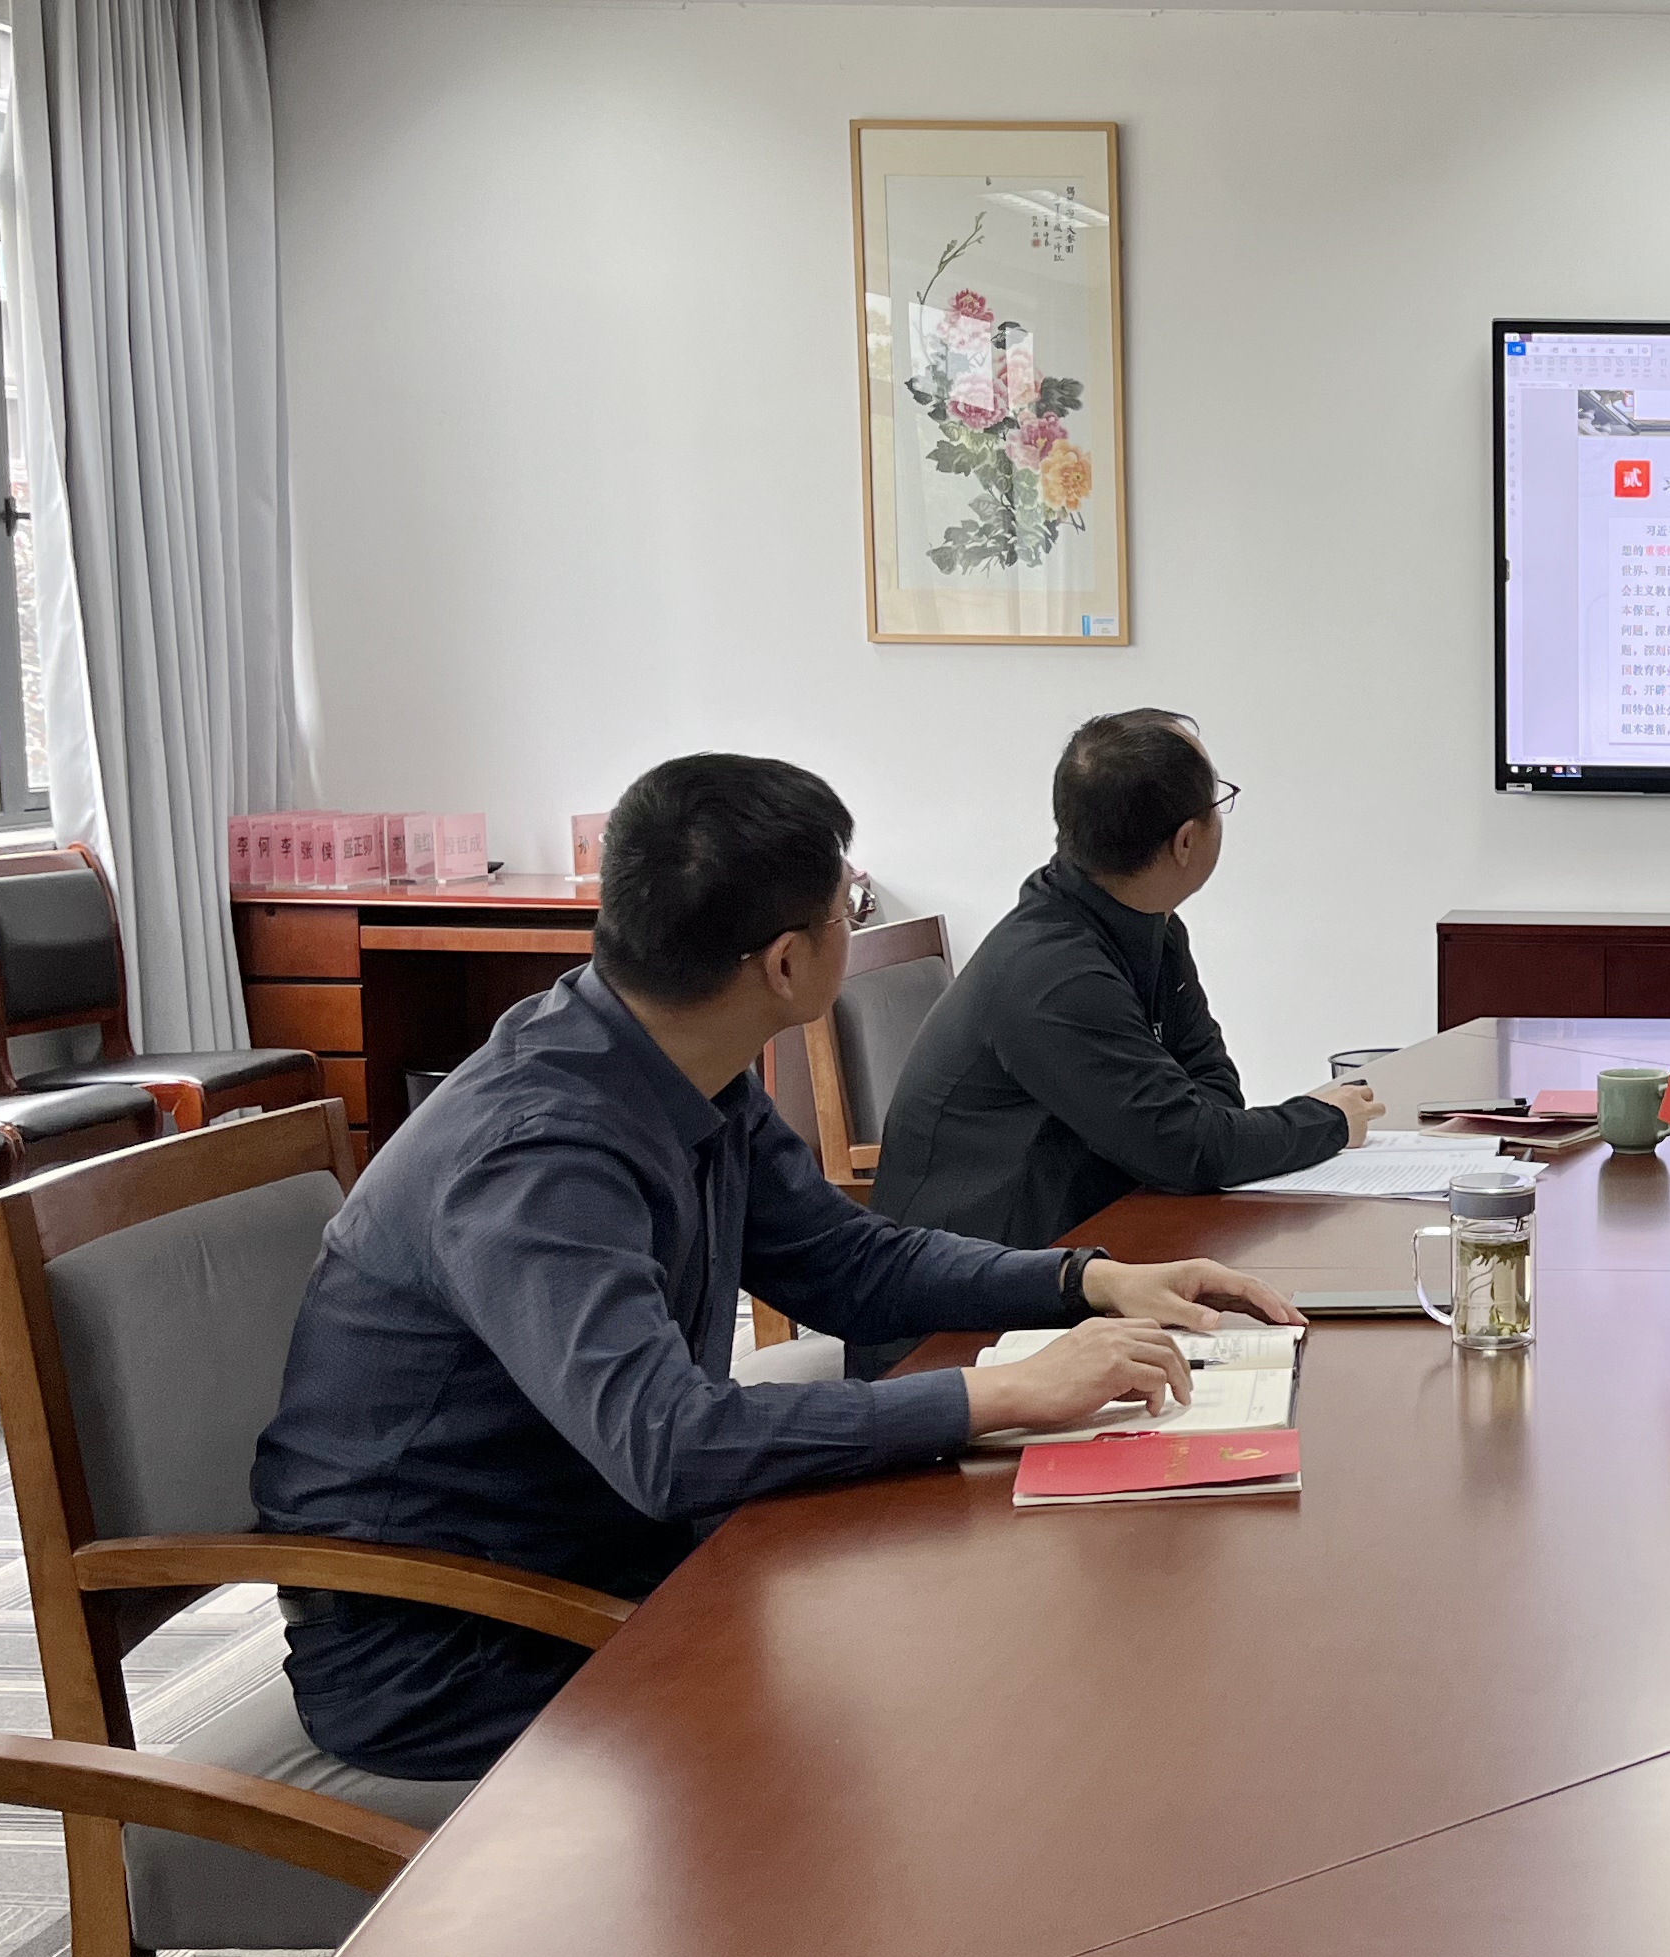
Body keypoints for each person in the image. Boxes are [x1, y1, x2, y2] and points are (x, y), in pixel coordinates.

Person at [254, 754, 1300, 1780]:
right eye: (849, 908)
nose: (855, 921)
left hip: (611, 1549)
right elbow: (670, 1444)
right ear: (789, 964)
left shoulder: (670, 1062)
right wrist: (1003, 1394)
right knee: (968, 1700)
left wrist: (1085, 1281)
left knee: (999, 1630)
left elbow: (845, 1264)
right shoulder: (537, 1155)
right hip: (457, 1641)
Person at [876, 709, 1376, 1247]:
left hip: (1084, 1239)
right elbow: (1186, 1148)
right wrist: (1325, 1122)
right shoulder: (1054, 976)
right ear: (1186, 842)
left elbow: (1212, 1098)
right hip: (973, 1279)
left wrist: (1202, 1134)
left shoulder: (1149, 926)